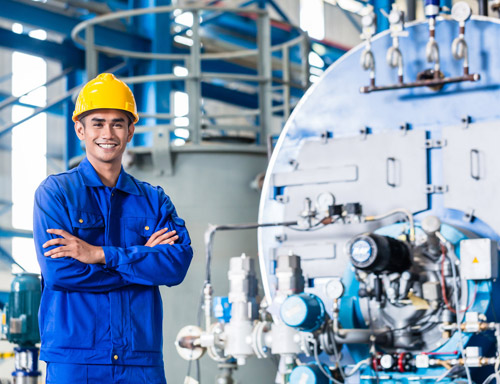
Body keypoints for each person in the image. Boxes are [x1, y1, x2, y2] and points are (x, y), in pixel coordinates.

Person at [33, 73, 193, 384]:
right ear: (80, 128)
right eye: (98, 122)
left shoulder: (154, 200)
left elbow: (175, 266)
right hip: (76, 360)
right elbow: (60, 274)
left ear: (131, 130)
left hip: (139, 360)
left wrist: (99, 254)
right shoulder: (55, 194)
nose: (108, 132)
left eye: (118, 123)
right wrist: (142, 263)